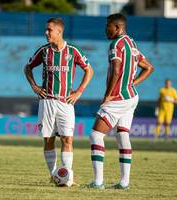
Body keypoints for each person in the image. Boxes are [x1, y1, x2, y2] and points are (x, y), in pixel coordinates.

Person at [87, 13, 154, 190]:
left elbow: (116, 70)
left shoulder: (116, 44)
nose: (105, 29)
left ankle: (98, 182)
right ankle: (124, 182)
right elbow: (149, 67)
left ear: (117, 27)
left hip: (117, 98)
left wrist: (108, 95)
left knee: (96, 135)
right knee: (122, 134)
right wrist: (133, 83)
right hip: (131, 96)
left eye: (107, 25)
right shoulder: (132, 44)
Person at [24, 18, 93, 184]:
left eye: (49, 30)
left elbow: (89, 70)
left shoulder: (73, 51)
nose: (46, 33)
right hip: (46, 101)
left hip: (65, 102)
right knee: (48, 139)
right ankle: (54, 175)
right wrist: (34, 86)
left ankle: (67, 176)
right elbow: (28, 67)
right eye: (46, 30)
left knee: (67, 139)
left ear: (59, 32)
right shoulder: (44, 51)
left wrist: (79, 92)